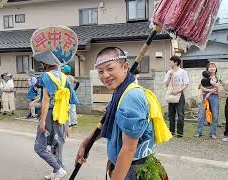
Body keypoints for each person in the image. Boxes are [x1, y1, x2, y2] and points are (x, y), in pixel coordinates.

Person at [75, 47, 170, 180]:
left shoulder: (131, 97)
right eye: (100, 71)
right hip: (125, 167)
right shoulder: (121, 91)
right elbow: (107, 122)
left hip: (133, 170)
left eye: (110, 69)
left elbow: (128, 149)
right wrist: (86, 142)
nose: (105, 75)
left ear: (125, 67)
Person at [33, 51, 79, 180]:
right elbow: (69, 101)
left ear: (45, 64)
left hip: (50, 114)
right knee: (57, 144)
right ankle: (57, 171)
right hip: (62, 114)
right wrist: (69, 123)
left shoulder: (46, 76)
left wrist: (42, 121)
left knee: (39, 147)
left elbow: (46, 100)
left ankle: (59, 169)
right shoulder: (64, 77)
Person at [163, 55, 189, 137]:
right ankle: (171, 131)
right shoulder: (169, 72)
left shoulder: (183, 72)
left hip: (180, 94)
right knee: (171, 114)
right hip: (171, 94)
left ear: (176, 62)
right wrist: (170, 76)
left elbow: (186, 83)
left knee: (180, 114)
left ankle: (180, 132)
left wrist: (179, 90)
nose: (169, 63)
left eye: (171, 61)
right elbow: (166, 84)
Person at [195, 63, 220, 138]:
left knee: (215, 115)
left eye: (214, 67)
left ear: (216, 69)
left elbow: (217, 88)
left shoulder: (217, 78)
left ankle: (212, 133)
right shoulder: (204, 78)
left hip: (214, 97)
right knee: (201, 115)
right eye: (210, 67)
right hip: (204, 97)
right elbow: (200, 87)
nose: (212, 68)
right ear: (207, 68)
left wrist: (208, 91)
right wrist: (210, 90)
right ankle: (199, 132)